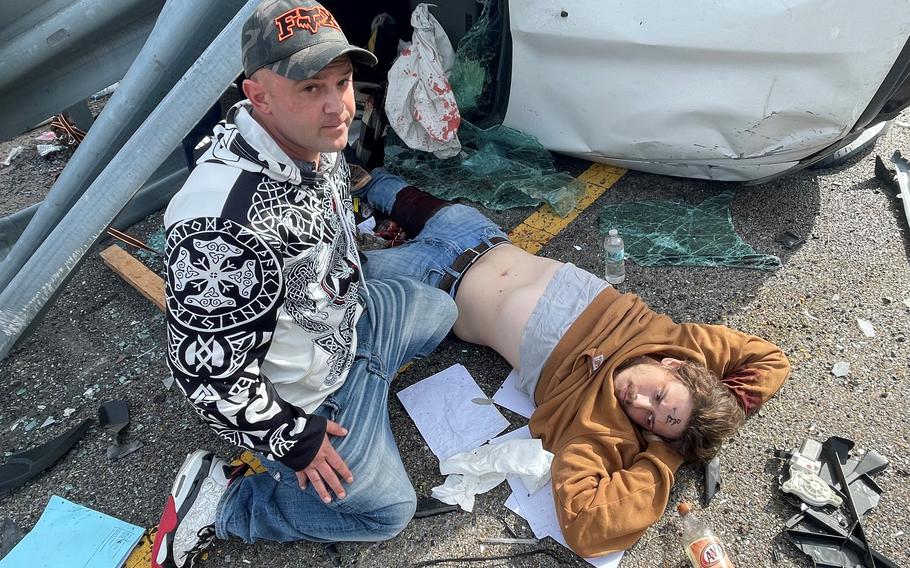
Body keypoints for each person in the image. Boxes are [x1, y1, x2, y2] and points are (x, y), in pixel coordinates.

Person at [152, 2, 457, 567]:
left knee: (441, 311)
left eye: (341, 83)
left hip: (345, 325)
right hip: (305, 398)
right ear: (258, 94)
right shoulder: (221, 224)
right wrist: (292, 436)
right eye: (311, 87)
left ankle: (370, 386)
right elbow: (204, 373)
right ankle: (226, 502)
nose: (337, 106)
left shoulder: (316, 140)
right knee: (387, 512)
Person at [354, 168, 791, 557]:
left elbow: (588, 526)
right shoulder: (682, 344)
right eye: (659, 396)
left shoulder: (600, 430)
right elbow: (771, 360)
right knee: (371, 183)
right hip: (478, 235)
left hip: (428, 282)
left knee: (318, 258)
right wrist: (713, 419)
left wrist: (668, 456)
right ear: (676, 368)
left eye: (652, 420)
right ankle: (365, 187)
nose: (639, 401)